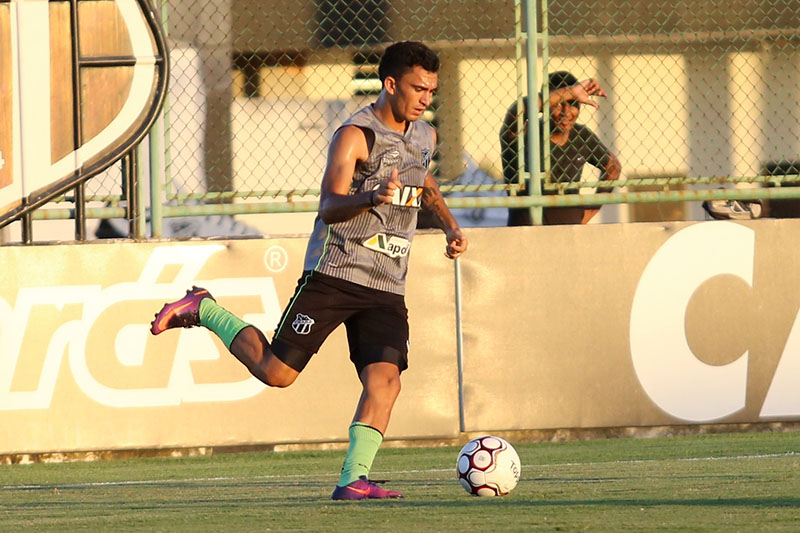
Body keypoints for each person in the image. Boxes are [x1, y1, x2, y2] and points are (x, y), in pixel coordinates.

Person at [149, 41, 468, 501]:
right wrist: (372, 196)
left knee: (386, 380)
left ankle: (352, 479)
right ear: (391, 83)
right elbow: (330, 204)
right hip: (336, 273)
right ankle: (204, 309)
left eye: (432, 90)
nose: (425, 98)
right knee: (277, 373)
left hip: (387, 283)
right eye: (418, 88)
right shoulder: (356, 135)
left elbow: (426, 184)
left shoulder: (424, 136)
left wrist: (450, 225)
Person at [500, 71, 621, 226]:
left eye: (573, 104)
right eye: (558, 104)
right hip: (528, 235)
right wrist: (570, 92)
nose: (566, 113)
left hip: (570, 235)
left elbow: (613, 167)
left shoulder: (582, 136)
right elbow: (517, 111)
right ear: (544, 105)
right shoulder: (524, 133)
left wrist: (590, 211)